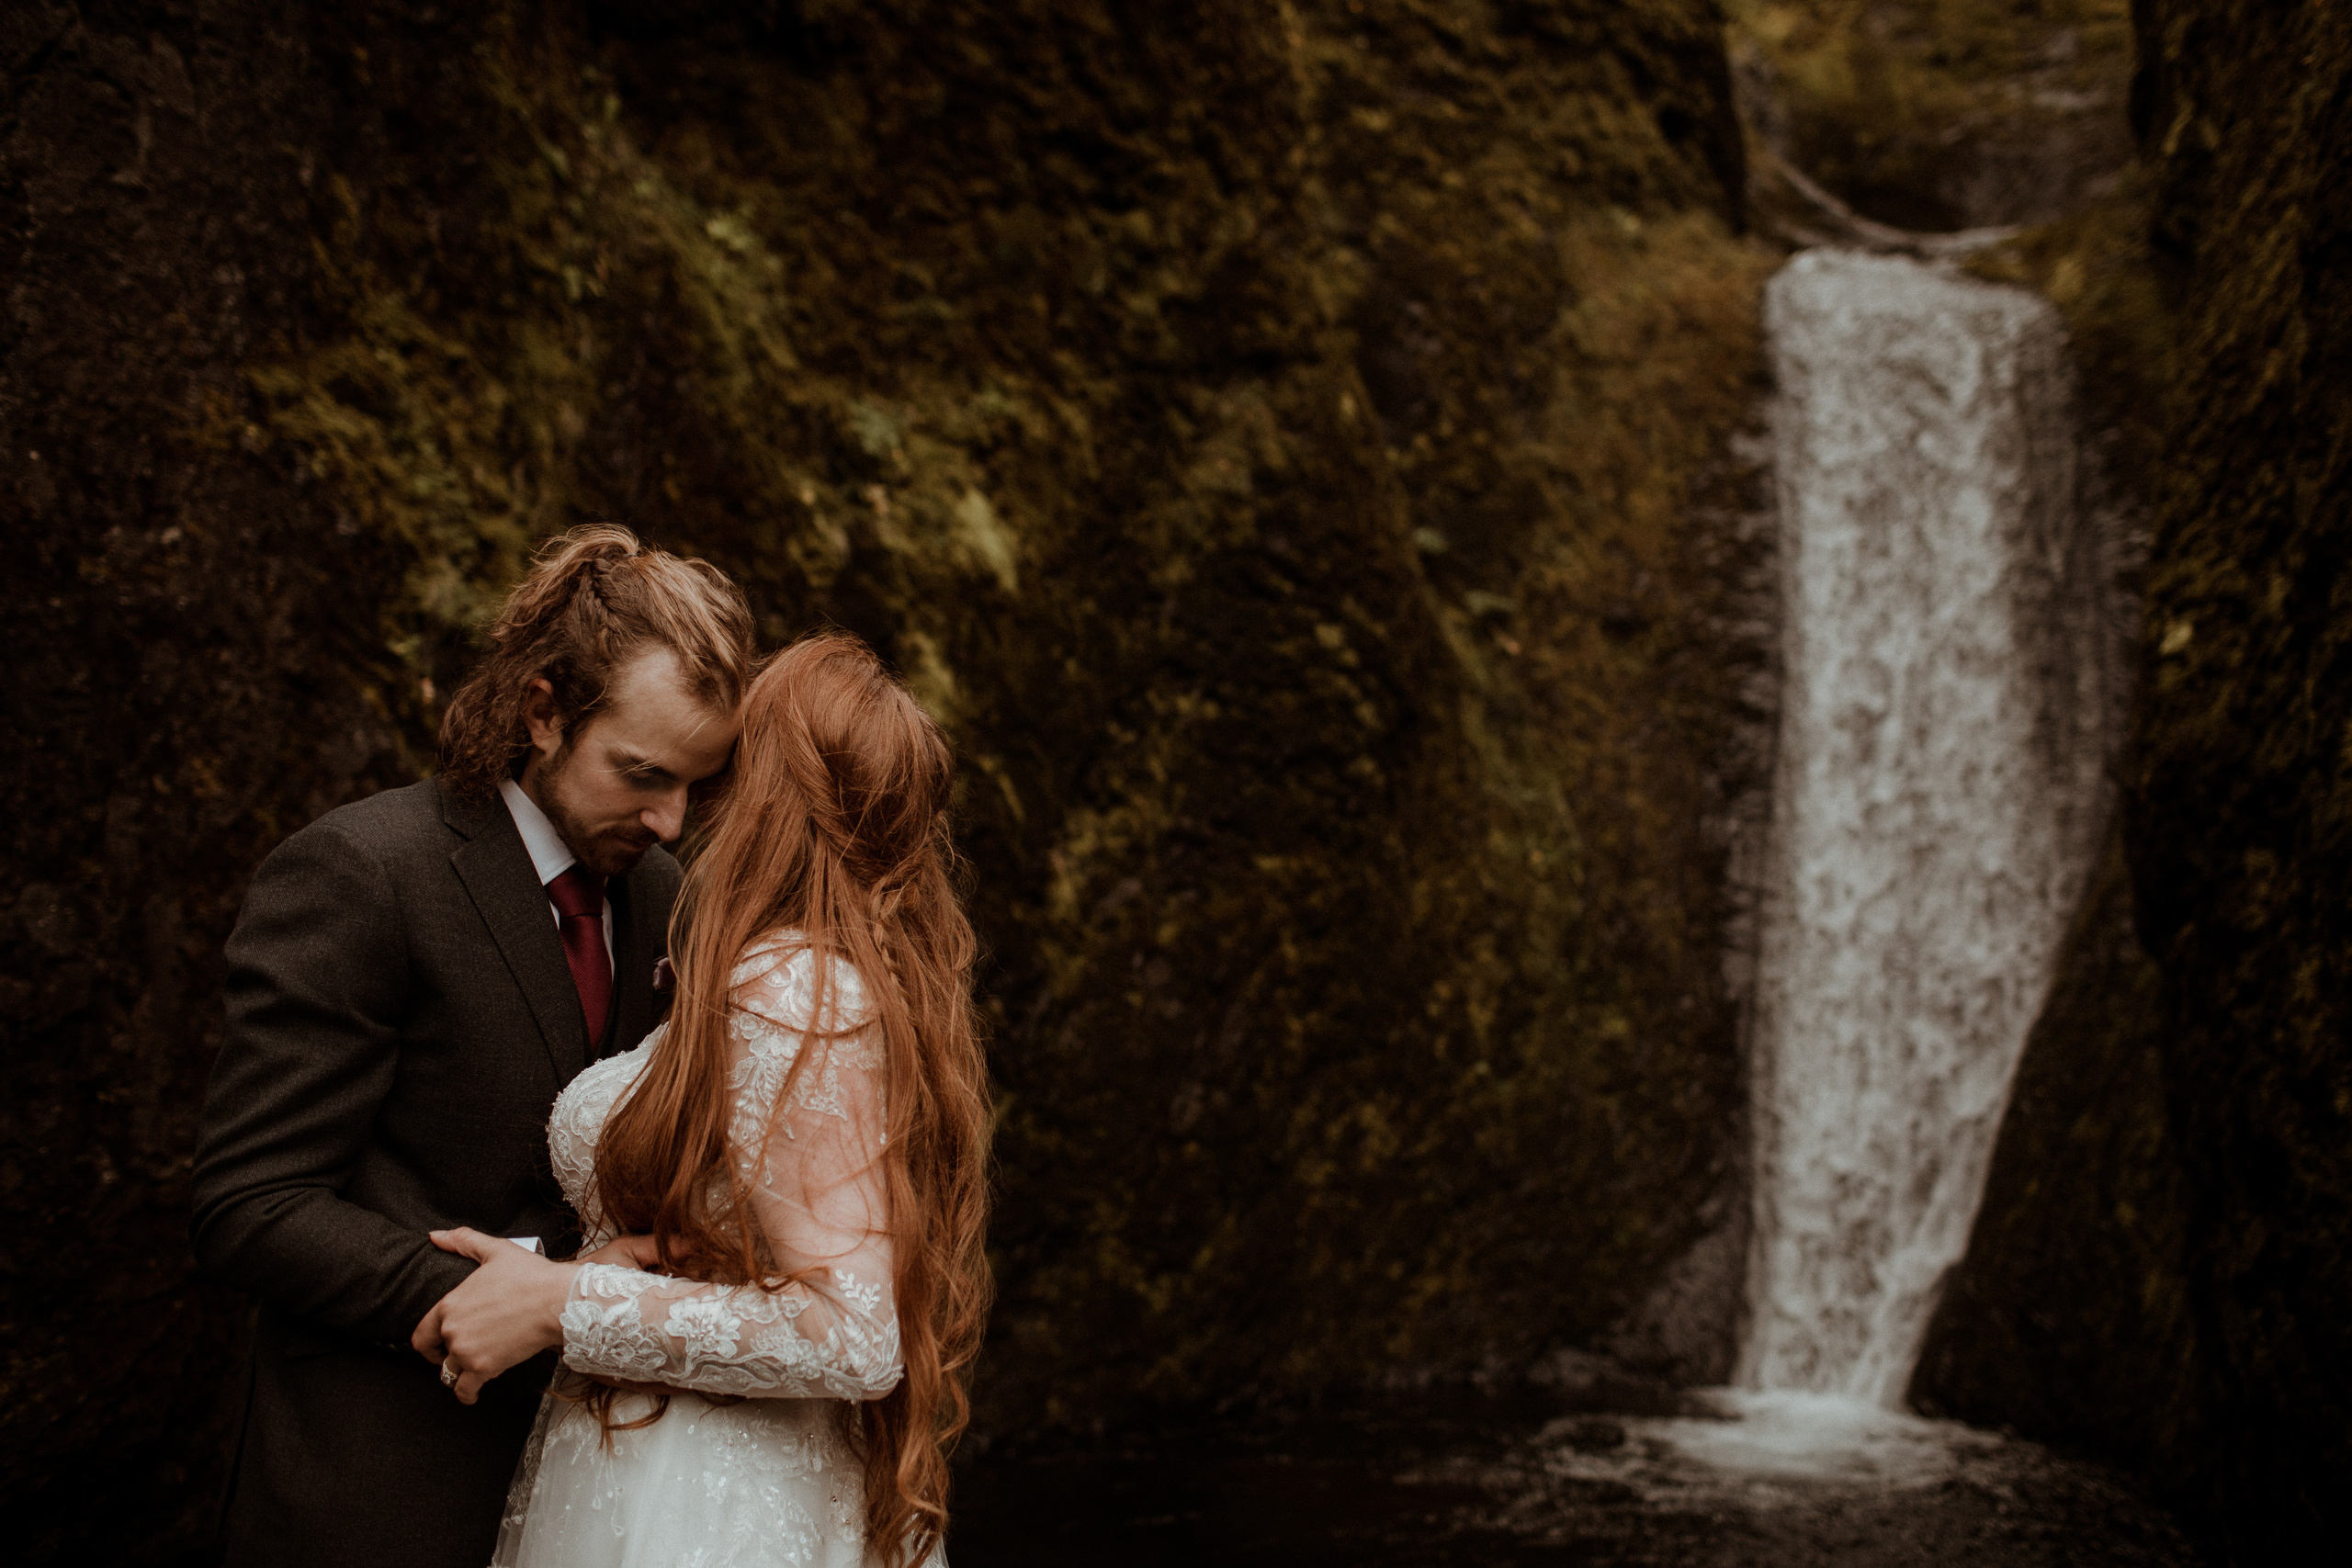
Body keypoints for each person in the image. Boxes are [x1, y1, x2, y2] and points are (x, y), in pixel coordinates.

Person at [190, 526, 759, 1568]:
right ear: (543, 712)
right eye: (642, 773)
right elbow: (249, 1205)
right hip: (378, 1486)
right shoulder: (363, 873)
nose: (673, 820)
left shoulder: (661, 894)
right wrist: (495, 1297)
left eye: (697, 784)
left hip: (589, 1490)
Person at [411, 632, 993, 1568]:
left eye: (714, 773)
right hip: (662, 1459)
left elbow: (850, 1335)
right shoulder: (803, 972)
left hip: (699, 1503)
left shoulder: (789, 987)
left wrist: (562, 1303)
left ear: (762, 795)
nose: (675, 814)